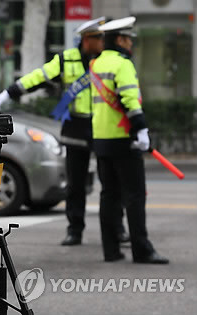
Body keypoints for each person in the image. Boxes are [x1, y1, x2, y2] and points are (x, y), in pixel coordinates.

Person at [0, 17, 128, 246]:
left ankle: (118, 228)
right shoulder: (66, 60)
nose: (103, 41)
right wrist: (10, 92)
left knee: (111, 182)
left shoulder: (109, 60)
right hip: (76, 125)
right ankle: (75, 230)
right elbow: (38, 77)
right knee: (75, 183)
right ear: (86, 40)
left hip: (104, 125)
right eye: (98, 37)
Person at [90, 16, 169, 264]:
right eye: (129, 39)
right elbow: (130, 101)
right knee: (134, 196)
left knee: (109, 195)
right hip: (124, 138)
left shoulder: (96, 63)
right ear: (121, 39)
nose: (131, 45)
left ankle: (110, 250)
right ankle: (142, 250)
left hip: (101, 139)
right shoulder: (123, 64)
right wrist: (142, 129)